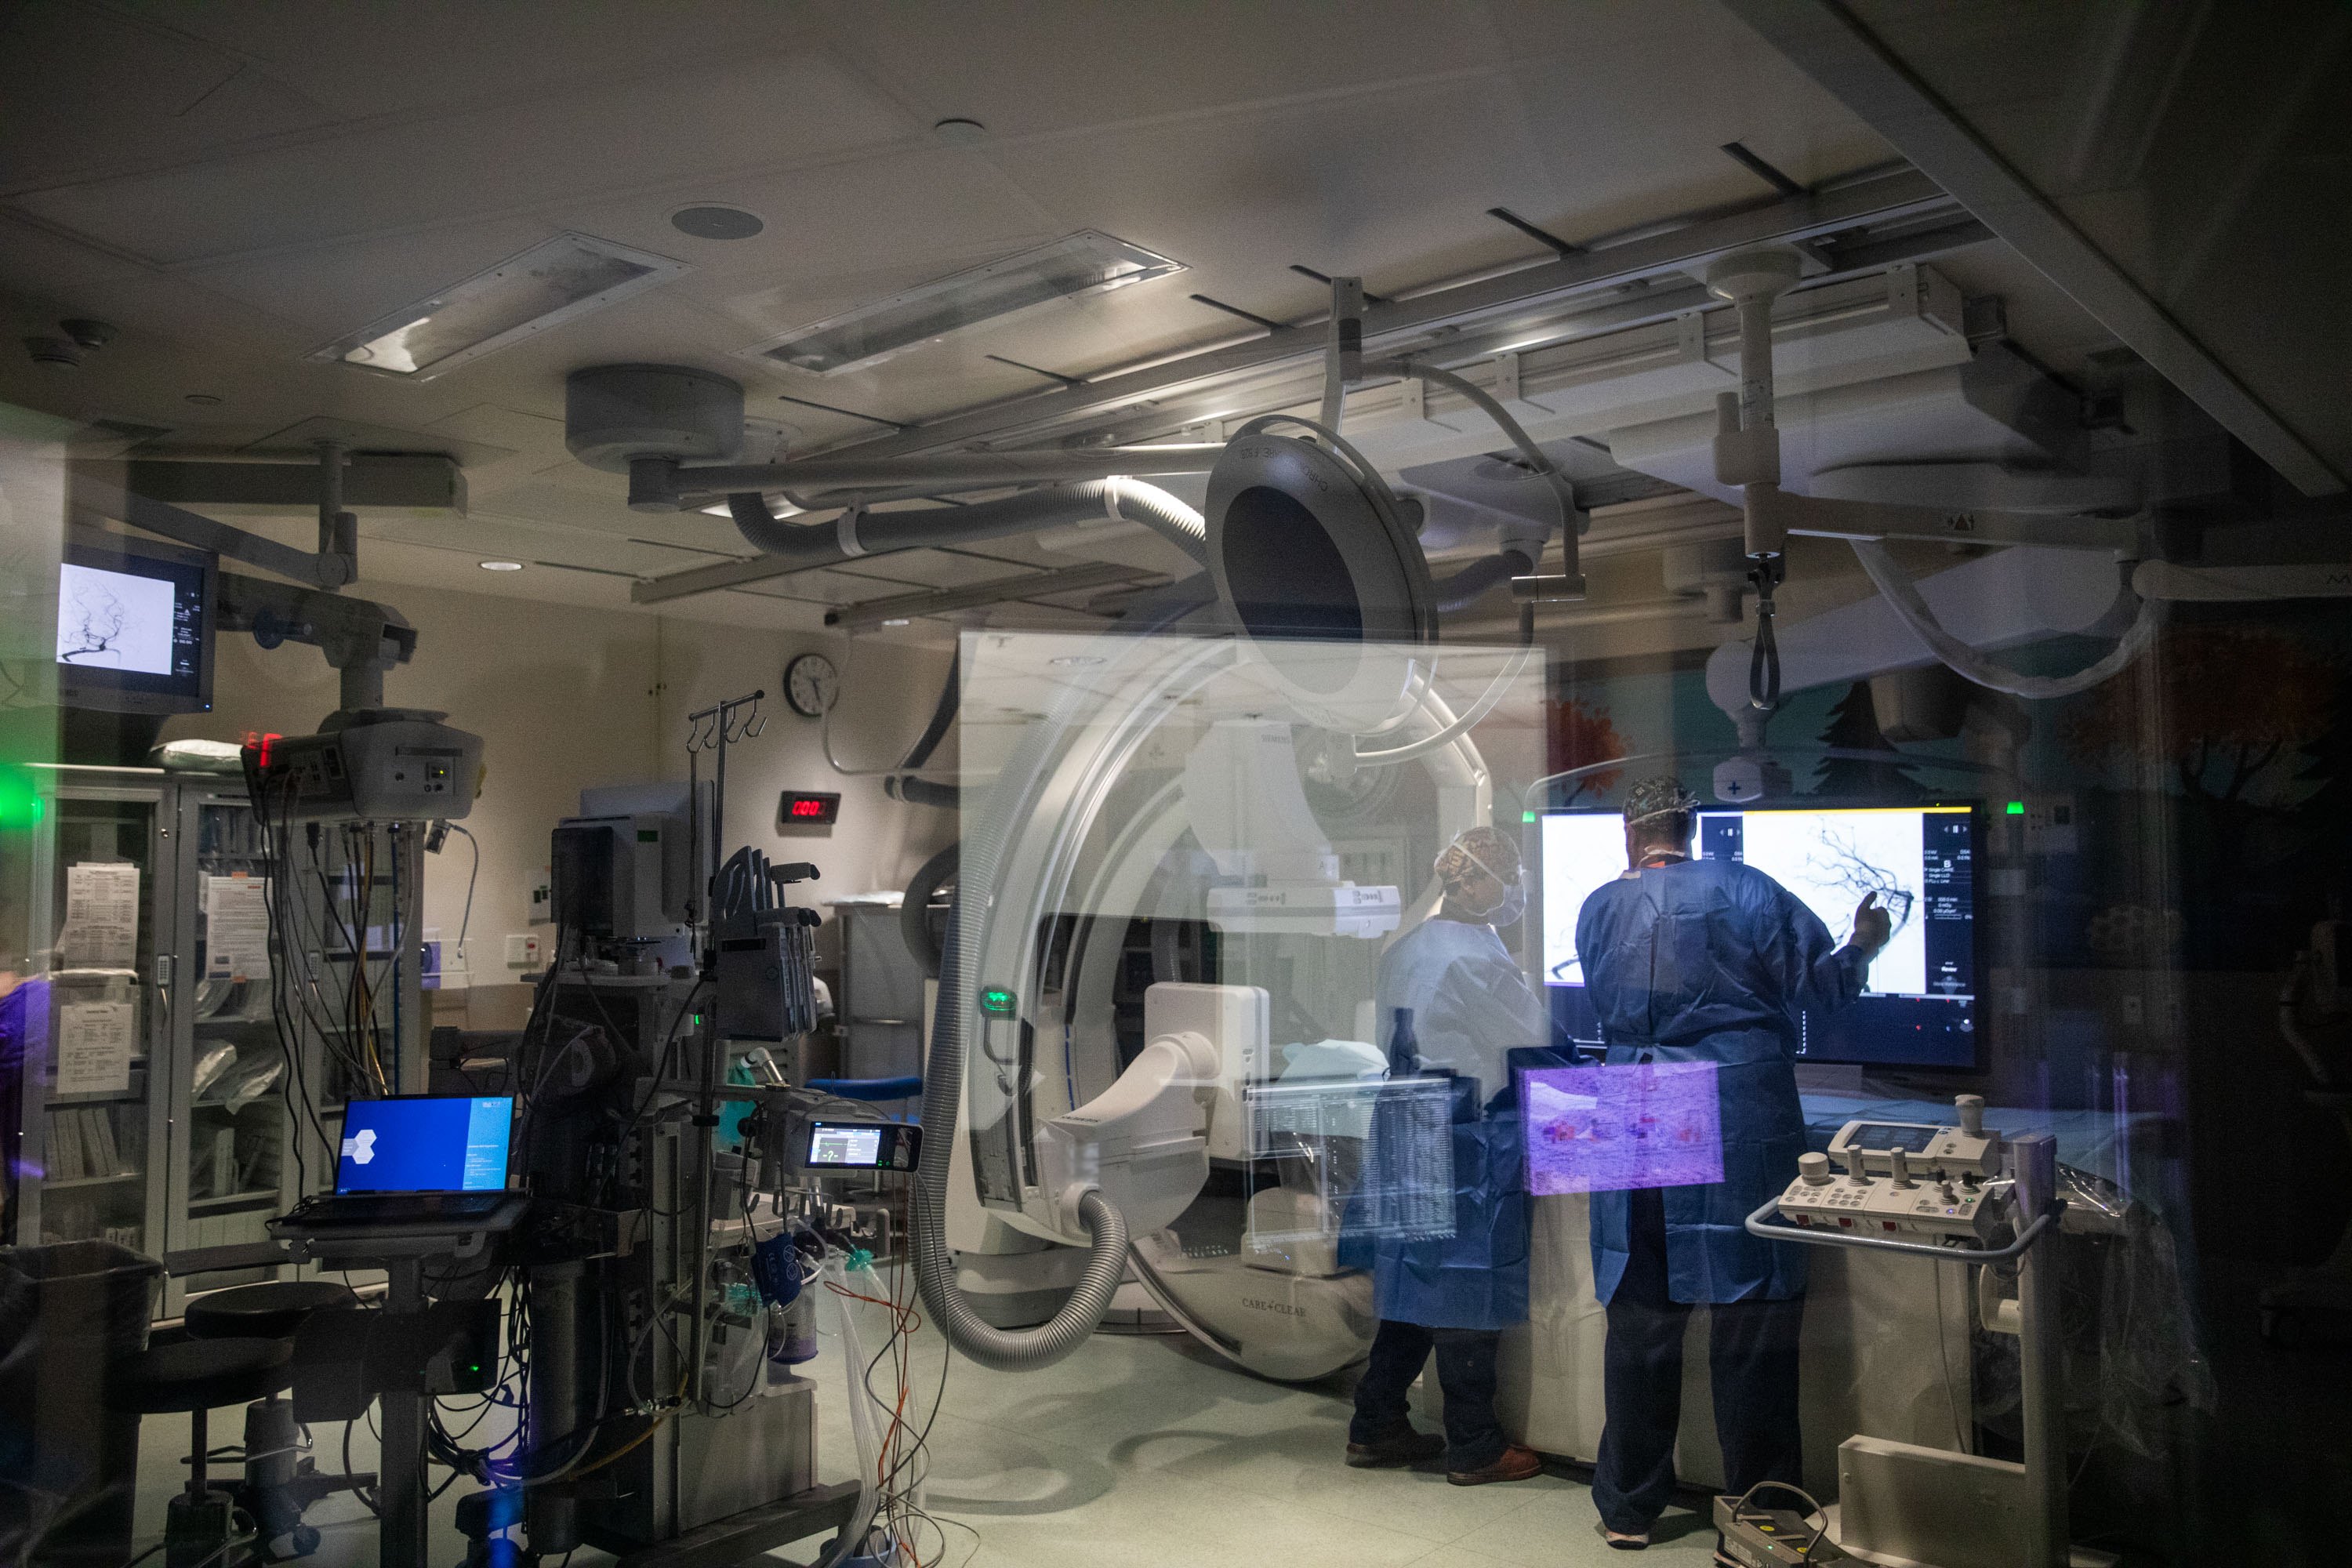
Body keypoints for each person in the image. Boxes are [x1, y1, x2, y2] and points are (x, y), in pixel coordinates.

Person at [1573, 778, 1889, 1552]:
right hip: (1731, 1100)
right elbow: (1828, 985)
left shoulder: (1596, 906)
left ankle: (1627, 1507)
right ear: (1694, 824)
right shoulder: (1748, 888)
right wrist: (1868, 940)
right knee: (1750, 1313)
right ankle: (1765, 1514)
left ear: (1629, 831)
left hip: (1623, 1097)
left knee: (1637, 1309)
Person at [1345, 825, 1557, 1486]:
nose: (1514, 887)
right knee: (1464, 1285)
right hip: (1460, 1128)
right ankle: (1474, 1444)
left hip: (1406, 1121)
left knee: (1416, 1279)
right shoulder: (1476, 958)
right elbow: (1531, 1038)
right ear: (1478, 882)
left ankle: (1376, 1423)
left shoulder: (1409, 946)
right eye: (1509, 875)